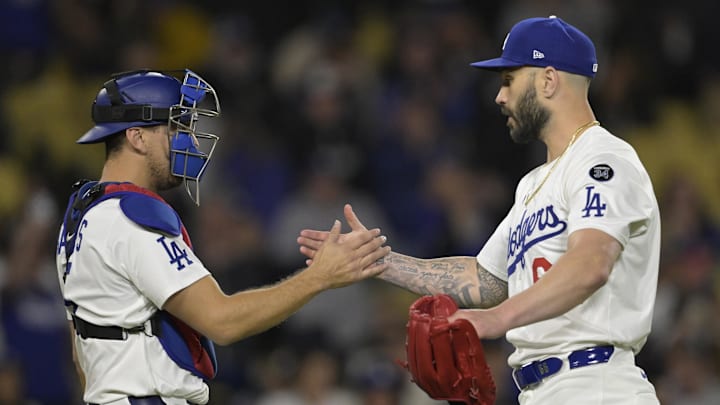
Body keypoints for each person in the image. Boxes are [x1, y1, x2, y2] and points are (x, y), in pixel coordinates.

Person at [298, 16, 661, 405]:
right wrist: (379, 261)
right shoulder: (533, 184)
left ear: (549, 80)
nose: (499, 97)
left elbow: (592, 262)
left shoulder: (602, 158)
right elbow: (487, 279)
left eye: (509, 80)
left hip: (597, 383)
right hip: (546, 389)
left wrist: (497, 319)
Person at [55, 69, 391, 405]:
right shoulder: (131, 219)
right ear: (137, 137)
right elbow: (222, 321)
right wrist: (320, 276)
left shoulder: (84, 215)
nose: (192, 140)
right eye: (176, 127)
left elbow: (80, 355)